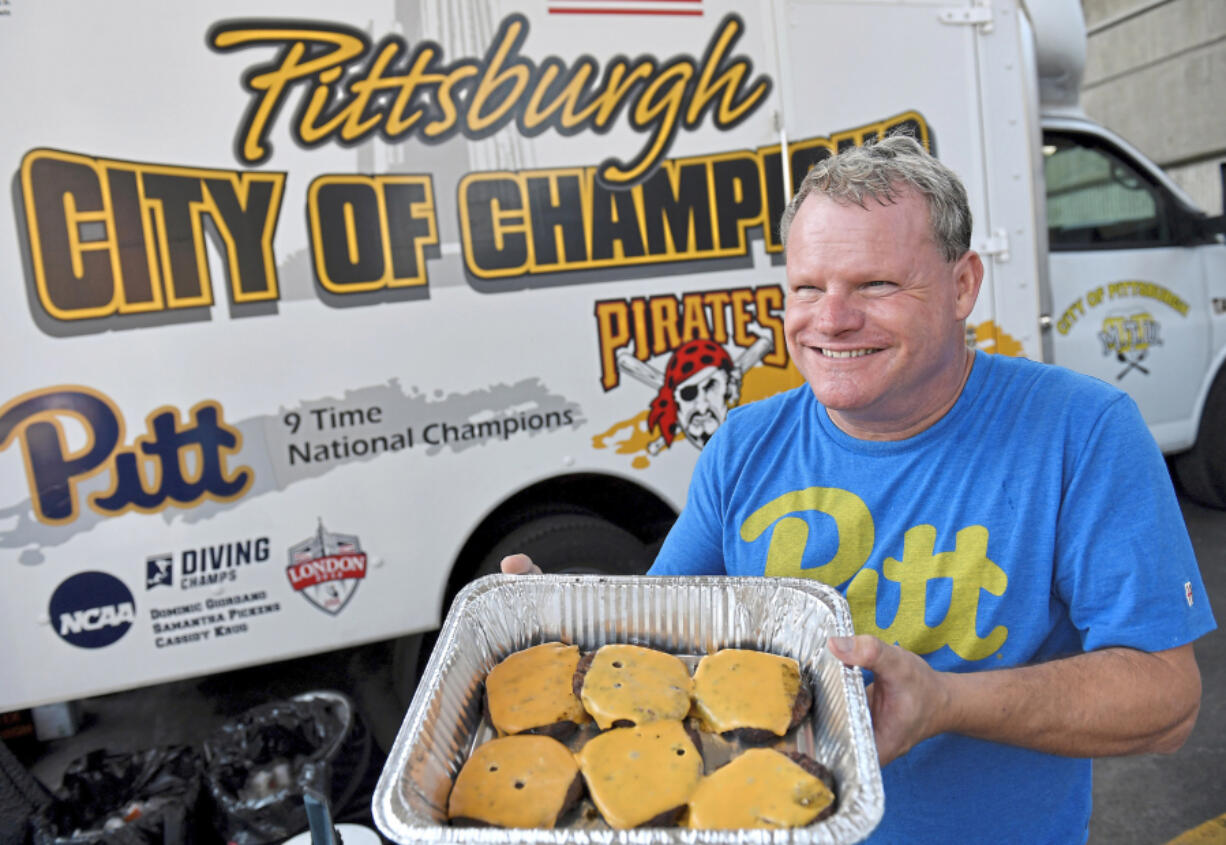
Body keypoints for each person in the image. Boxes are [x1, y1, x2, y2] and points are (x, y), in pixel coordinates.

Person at [501, 135, 1215, 843]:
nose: (831, 319)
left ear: (963, 284)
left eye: (875, 284)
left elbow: (1164, 699)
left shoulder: (1081, 431)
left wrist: (944, 702)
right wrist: (560, 632)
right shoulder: (746, 443)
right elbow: (656, 641)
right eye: (808, 287)